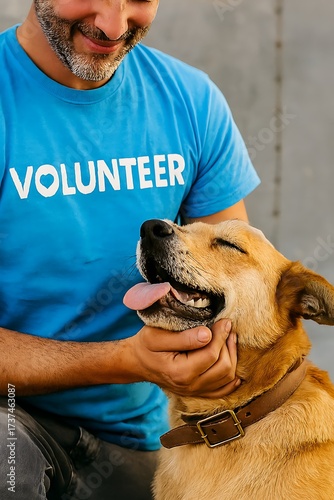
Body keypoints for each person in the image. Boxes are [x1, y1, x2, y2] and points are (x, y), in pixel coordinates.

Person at [0, 1, 260, 499]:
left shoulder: (190, 100)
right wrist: (124, 359)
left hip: (149, 443)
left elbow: (238, 292)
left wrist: (213, 358)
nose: (114, 26)